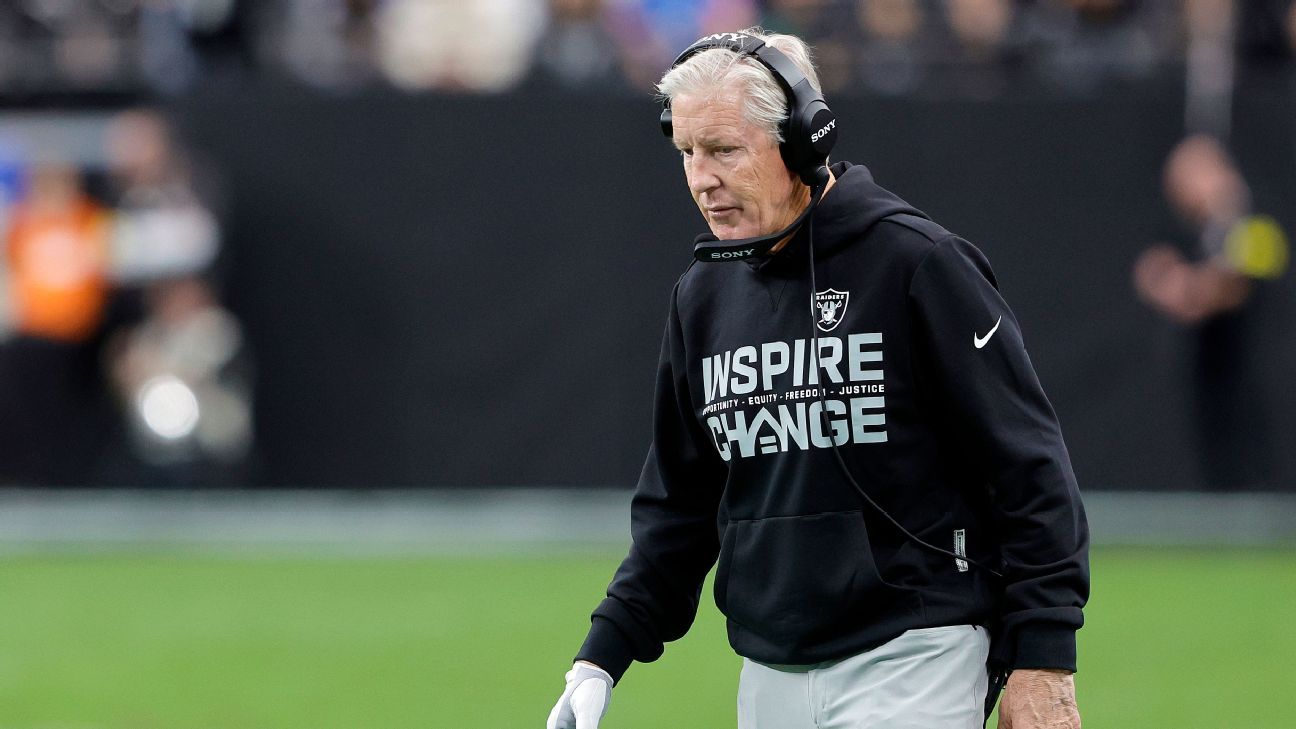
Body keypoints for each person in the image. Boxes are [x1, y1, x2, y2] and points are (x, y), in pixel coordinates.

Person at [547, 28, 1088, 729]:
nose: (700, 178)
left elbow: (1029, 466)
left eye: (723, 149)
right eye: (686, 152)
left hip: (917, 652)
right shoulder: (701, 297)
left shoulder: (917, 263)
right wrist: (600, 658)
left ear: (805, 140)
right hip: (769, 669)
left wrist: (1044, 657)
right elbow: (679, 508)